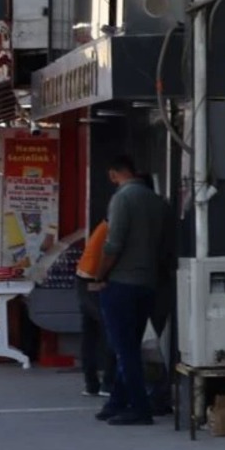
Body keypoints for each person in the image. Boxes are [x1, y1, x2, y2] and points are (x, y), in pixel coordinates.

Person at [89, 155, 170, 426]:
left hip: (122, 283)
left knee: (125, 349)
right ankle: (117, 401)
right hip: (149, 283)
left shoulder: (122, 199)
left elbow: (113, 244)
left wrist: (100, 274)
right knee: (131, 344)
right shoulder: (156, 201)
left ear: (114, 174)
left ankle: (139, 407)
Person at [75, 221, 117, 397]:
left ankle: (91, 383)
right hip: (95, 279)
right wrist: (101, 279)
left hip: (84, 277)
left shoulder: (104, 225)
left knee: (90, 334)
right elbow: (111, 252)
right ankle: (108, 383)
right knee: (110, 332)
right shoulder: (116, 226)